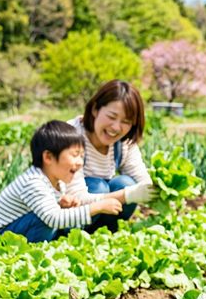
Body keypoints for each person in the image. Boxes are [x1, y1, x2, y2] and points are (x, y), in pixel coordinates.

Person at [0, 121, 123, 245]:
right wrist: (96, 207)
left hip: (13, 234)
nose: (80, 162)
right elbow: (53, 218)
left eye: (82, 156)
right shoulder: (33, 182)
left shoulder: (57, 181)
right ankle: (29, 256)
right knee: (47, 221)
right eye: (74, 155)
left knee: (60, 216)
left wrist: (61, 204)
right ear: (48, 157)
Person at [65, 80, 155, 232]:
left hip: (101, 211)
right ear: (95, 109)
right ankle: (77, 236)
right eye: (112, 117)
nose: (116, 127)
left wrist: (159, 193)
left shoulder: (123, 143)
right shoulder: (70, 135)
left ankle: (107, 233)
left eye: (126, 121)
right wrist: (129, 195)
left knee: (125, 182)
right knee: (99, 187)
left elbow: (143, 180)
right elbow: (77, 197)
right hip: (69, 215)